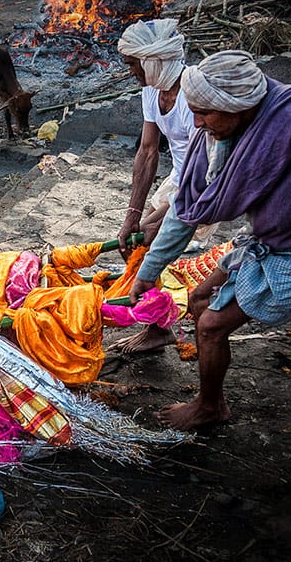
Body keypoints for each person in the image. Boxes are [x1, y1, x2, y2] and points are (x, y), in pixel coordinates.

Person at [128, 50, 291, 431]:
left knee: (210, 324)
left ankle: (211, 407)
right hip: (270, 239)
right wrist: (149, 270)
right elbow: (187, 207)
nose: (197, 122)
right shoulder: (221, 136)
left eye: (205, 113)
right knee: (197, 299)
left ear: (236, 106)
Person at [112, 18, 199, 354]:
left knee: (152, 241)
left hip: (208, 178)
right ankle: (157, 325)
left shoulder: (195, 95)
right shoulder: (152, 89)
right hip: (182, 174)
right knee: (140, 238)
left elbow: (202, 170)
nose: (132, 73)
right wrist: (132, 214)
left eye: (134, 65)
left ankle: (156, 327)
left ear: (152, 61)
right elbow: (148, 151)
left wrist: (161, 216)